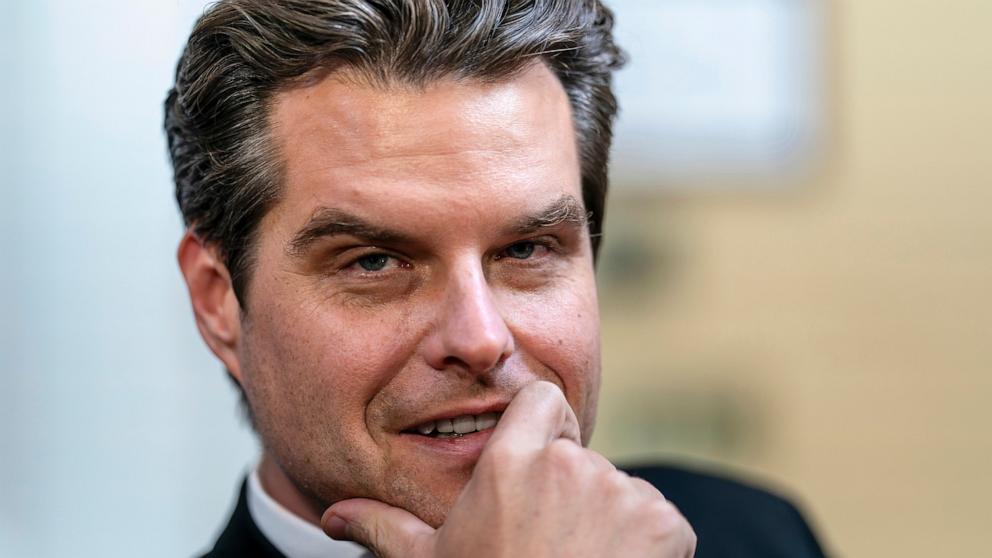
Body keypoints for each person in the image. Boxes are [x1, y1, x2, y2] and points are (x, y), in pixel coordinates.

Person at [165, 1, 826, 556]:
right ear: (218, 301)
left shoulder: (756, 535)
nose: (481, 338)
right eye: (373, 262)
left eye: (527, 250)